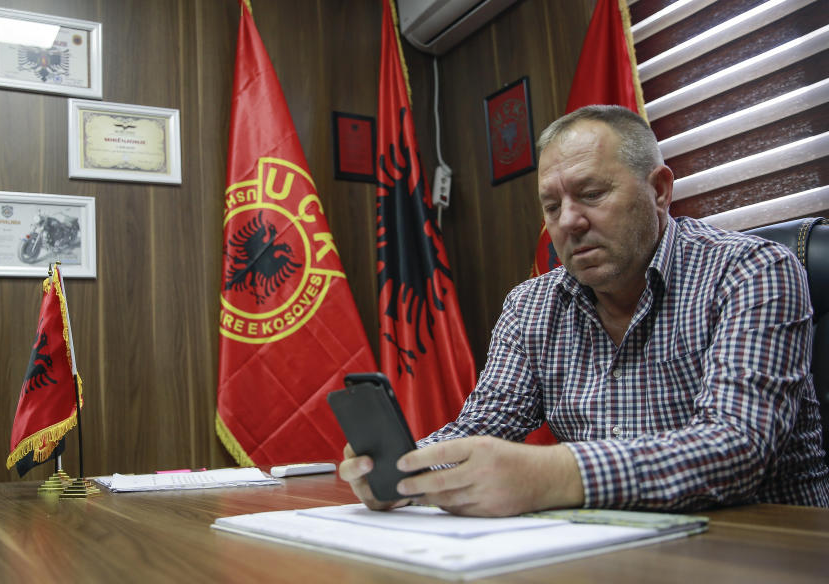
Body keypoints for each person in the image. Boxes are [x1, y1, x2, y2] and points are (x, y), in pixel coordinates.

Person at [339, 105, 829, 515]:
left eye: (592, 194)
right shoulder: (531, 304)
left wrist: (556, 473)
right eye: (551, 206)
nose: (569, 222)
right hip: (606, 549)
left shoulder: (752, 271)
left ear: (658, 190)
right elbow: (484, 425)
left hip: (762, 550)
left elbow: (737, 445)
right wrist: (408, 468)